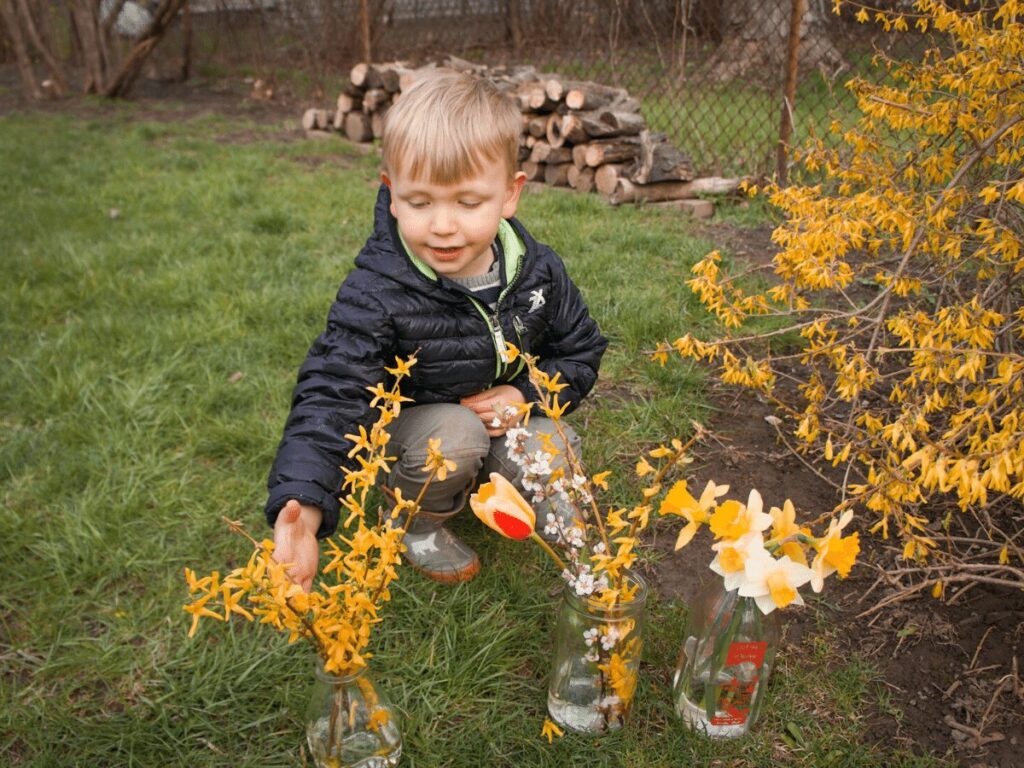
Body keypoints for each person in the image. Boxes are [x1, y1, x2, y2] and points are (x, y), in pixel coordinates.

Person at [266, 70, 607, 589]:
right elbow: (332, 395)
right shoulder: (377, 291)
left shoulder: (537, 271)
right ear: (393, 195)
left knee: (554, 447)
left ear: (510, 195)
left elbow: (580, 352)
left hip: (502, 413)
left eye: (468, 203)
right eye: (421, 202)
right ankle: (414, 522)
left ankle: (528, 501)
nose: (443, 224)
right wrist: (304, 507)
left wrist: (522, 394)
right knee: (456, 437)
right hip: (420, 428)